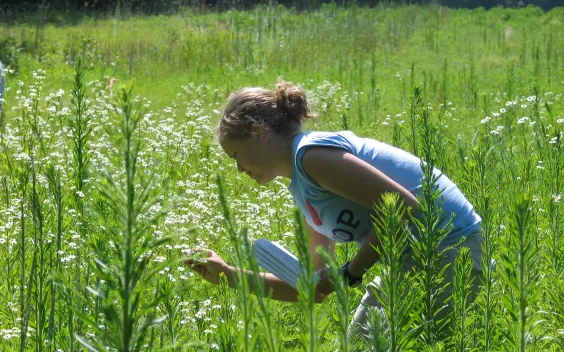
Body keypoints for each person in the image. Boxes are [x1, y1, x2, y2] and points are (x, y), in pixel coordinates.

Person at [184, 80, 484, 338]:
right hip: (421, 256)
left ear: (257, 133)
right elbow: (315, 289)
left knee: (367, 341)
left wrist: (351, 273)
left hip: (450, 250)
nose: (238, 169)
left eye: (236, 154)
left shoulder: (311, 155)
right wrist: (227, 274)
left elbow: (401, 206)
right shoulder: (304, 190)